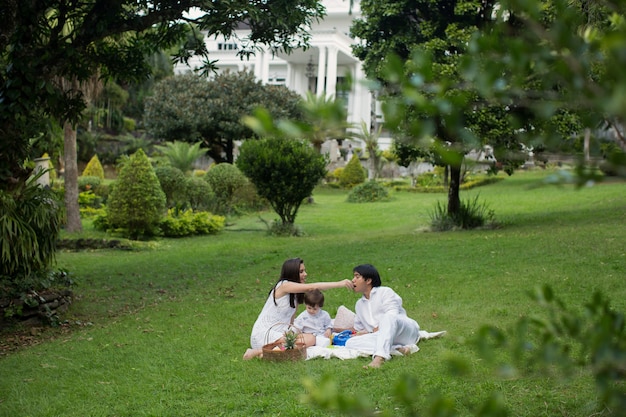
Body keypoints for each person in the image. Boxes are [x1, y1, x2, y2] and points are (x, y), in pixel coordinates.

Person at [243, 258, 353, 360]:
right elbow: (312, 287)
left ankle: (270, 353)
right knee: (309, 339)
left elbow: (291, 320)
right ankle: (257, 351)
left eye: (304, 271)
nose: (305, 274)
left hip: (282, 334)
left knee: (311, 338)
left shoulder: (295, 296)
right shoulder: (283, 286)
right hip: (265, 334)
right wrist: (339, 284)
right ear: (292, 273)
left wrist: (293, 332)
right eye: (301, 272)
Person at [345, 264, 420, 369]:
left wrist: (377, 328)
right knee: (350, 343)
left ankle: (379, 358)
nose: (353, 280)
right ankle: (398, 349)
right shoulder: (359, 304)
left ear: (368, 280)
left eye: (357, 277)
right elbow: (360, 328)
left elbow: (393, 314)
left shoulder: (385, 292)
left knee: (388, 318)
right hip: (382, 336)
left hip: (403, 331)